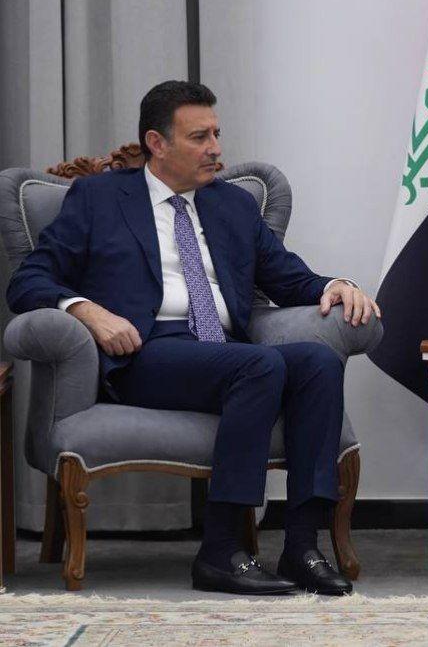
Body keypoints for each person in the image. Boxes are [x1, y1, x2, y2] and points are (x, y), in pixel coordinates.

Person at [6, 80, 381, 596]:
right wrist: (88, 312)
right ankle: (221, 551)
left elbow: (288, 276)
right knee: (261, 364)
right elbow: (28, 281)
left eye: (216, 134)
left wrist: (336, 285)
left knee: (317, 362)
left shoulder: (233, 205)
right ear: (157, 143)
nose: (215, 149)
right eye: (199, 137)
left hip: (223, 353)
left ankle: (302, 547)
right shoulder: (98, 198)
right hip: (145, 353)